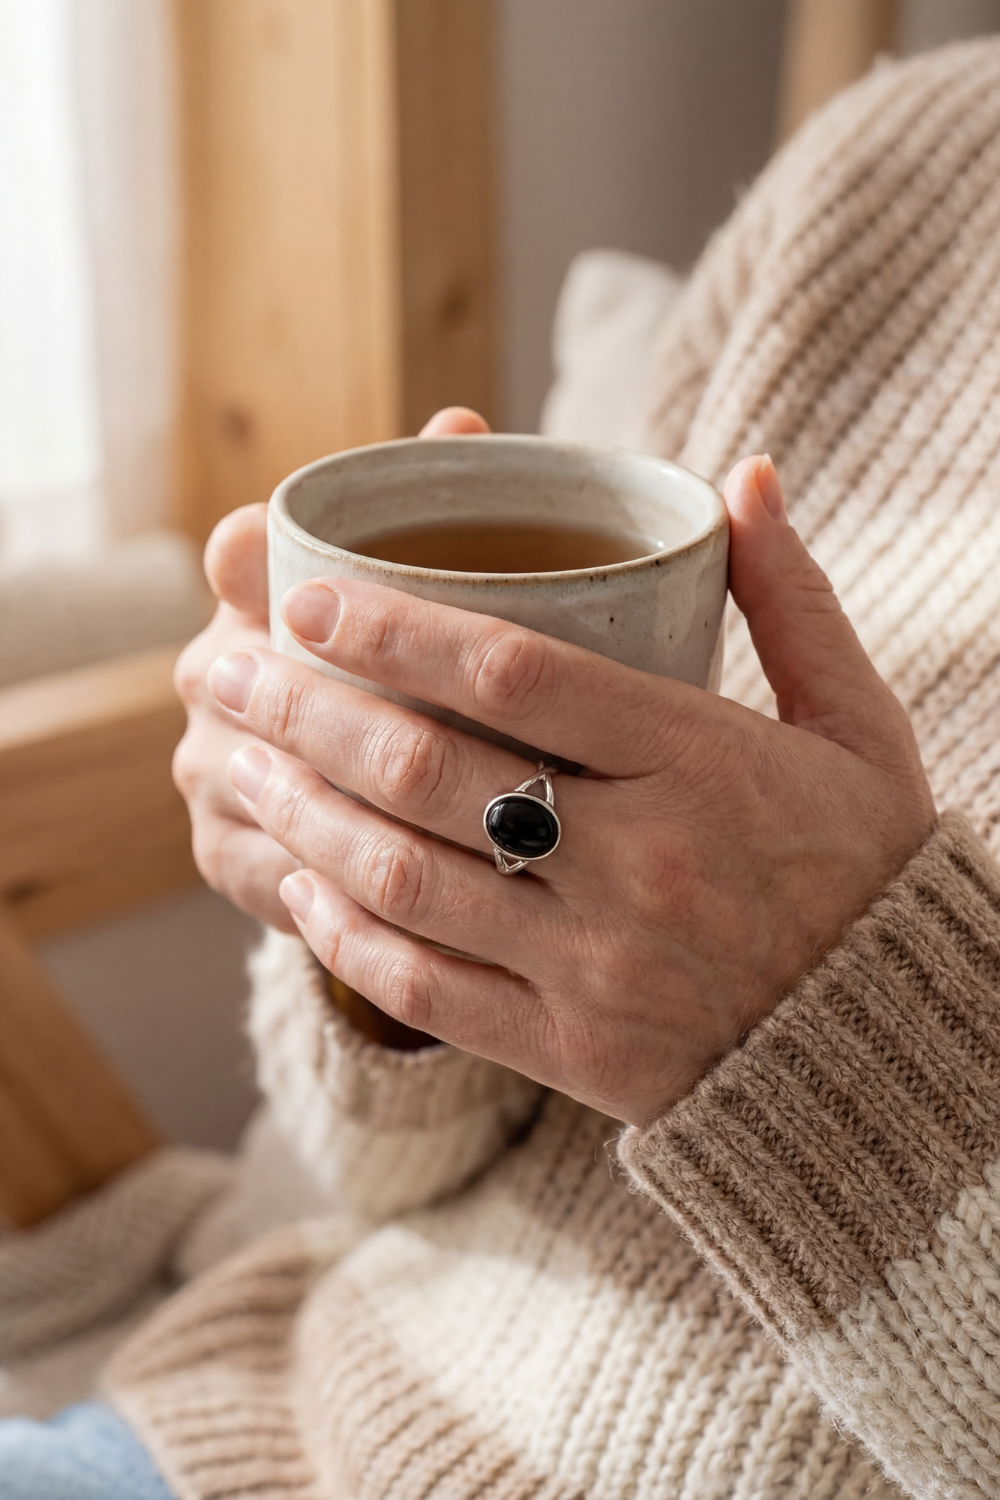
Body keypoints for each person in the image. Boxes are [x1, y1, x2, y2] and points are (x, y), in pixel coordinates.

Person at [5, 34, 1000, 1500]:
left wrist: (839, 1025)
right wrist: (361, 903)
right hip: (279, 1439)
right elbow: (393, 1175)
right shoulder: (895, 178)